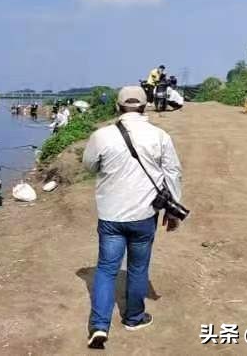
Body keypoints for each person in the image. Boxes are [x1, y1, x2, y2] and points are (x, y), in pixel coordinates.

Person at [81, 86, 183, 350]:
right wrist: (173, 211)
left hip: (111, 215)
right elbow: (172, 173)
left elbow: (89, 165)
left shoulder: (101, 135)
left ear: (117, 107)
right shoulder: (160, 136)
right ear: (146, 106)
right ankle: (134, 318)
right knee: (138, 268)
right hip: (144, 215)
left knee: (105, 269)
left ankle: (99, 327)